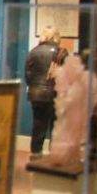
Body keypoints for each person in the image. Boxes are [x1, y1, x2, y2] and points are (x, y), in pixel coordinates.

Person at [26, 26, 67, 158]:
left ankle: (35, 153)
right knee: (56, 125)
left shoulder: (33, 52)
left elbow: (28, 75)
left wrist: (34, 86)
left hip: (36, 93)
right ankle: (54, 155)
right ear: (56, 37)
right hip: (55, 93)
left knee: (38, 124)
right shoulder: (61, 52)